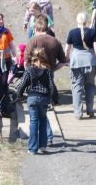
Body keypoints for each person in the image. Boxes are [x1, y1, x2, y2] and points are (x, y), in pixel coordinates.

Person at [24, 16, 66, 145]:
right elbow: (63, 61)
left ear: (36, 28)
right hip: (49, 75)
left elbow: (25, 62)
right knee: (44, 109)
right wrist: (53, 69)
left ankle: (40, 141)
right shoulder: (55, 41)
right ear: (46, 27)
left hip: (33, 75)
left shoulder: (32, 41)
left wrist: (29, 72)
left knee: (35, 113)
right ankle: (47, 138)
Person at [65, 12, 96, 119]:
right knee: (90, 85)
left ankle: (78, 112)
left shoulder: (72, 32)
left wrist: (66, 59)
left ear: (77, 20)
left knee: (77, 86)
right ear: (87, 21)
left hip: (76, 61)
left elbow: (67, 49)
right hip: (90, 62)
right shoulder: (92, 32)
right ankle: (90, 110)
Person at [16, 47, 54, 155]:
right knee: (43, 121)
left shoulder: (29, 70)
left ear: (33, 58)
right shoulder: (47, 71)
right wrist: (51, 98)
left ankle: (32, 148)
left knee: (33, 122)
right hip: (44, 98)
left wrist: (19, 95)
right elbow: (51, 86)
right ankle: (42, 146)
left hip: (32, 98)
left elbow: (22, 84)